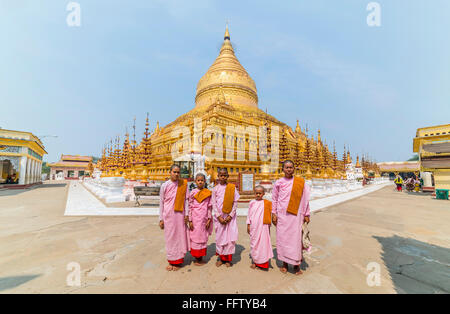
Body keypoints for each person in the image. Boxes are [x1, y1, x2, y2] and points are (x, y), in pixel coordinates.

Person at [272, 160, 311, 275]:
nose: (289, 169)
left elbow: (305, 199)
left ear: (294, 169)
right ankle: (284, 264)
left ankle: (296, 265)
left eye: (291, 167)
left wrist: (307, 214)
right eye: (286, 167)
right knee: (283, 239)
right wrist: (274, 213)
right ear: (282, 169)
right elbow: (274, 199)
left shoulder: (300, 182)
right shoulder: (278, 183)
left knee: (296, 240)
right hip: (283, 215)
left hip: (296, 215)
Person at [159, 164, 190, 271]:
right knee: (170, 238)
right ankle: (171, 260)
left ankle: (178, 261)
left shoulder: (183, 184)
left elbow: (187, 200)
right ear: (170, 172)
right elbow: (161, 202)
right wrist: (161, 219)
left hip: (180, 215)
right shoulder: (165, 185)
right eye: (174, 172)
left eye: (178, 172)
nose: (176, 174)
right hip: (168, 215)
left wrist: (187, 215)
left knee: (179, 236)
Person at [211, 168, 240, 267]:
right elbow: (214, 203)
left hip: (229, 218)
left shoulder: (232, 187)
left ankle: (228, 259)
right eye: (221, 175)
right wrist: (218, 216)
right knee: (220, 238)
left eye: (224, 175)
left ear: (227, 176)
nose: (222, 177)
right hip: (219, 218)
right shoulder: (215, 189)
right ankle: (221, 258)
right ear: (218, 176)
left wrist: (230, 216)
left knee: (229, 238)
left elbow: (235, 202)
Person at [188, 173, 213, 266]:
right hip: (195, 218)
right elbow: (190, 207)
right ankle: (196, 257)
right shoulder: (193, 193)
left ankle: (201, 257)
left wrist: (209, 219)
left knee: (203, 237)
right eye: (198, 180)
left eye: (202, 180)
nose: (200, 182)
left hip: (204, 218)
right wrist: (190, 220)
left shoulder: (208, 192)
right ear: (195, 182)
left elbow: (210, 207)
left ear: (205, 181)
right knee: (195, 237)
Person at [247, 185, 273, 271]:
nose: (258, 195)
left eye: (260, 193)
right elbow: (249, 215)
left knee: (263, 244)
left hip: (263, 226)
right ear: (254, 193)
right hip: (254, 226)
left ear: (263, 194)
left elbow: (272, 213)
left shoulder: (267, 203)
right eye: (256, 193)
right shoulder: (252, 203)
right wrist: (248, 224)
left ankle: (263, 262)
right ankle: (254, 261)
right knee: (254, 244)